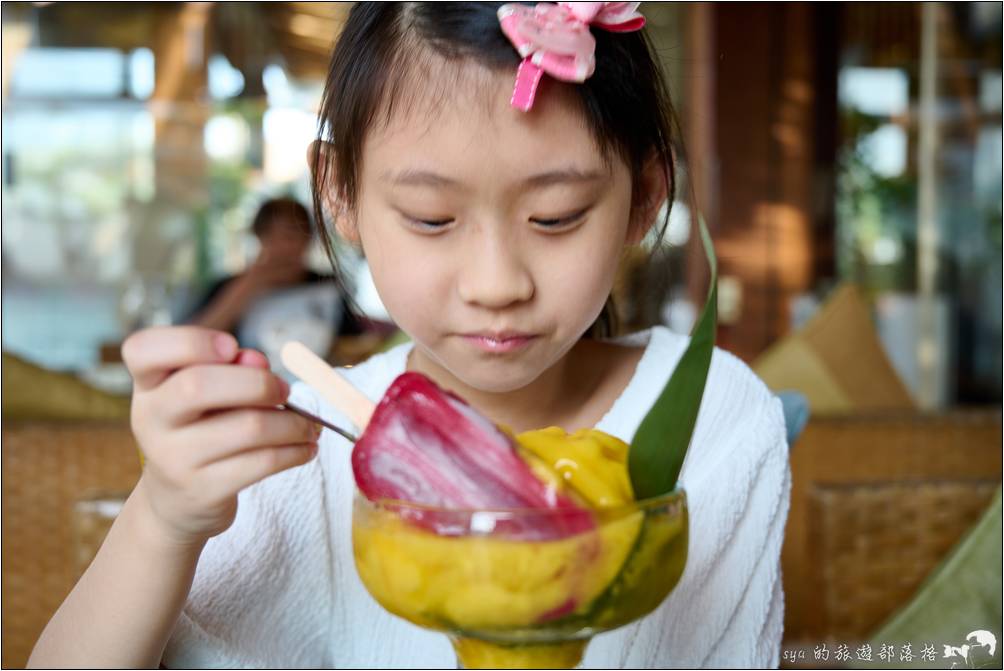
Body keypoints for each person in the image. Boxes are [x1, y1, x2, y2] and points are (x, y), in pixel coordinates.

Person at [28, 3, 791, 668]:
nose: (496, 283)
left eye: (555, 217)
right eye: (432, 218)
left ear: (645, 197)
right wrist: (163, 516)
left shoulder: (715, 422)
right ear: (340, 192)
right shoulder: (303, 444)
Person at [186, 197, 362, 362]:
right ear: (258, 236)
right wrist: (248, 285)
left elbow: (352, 342)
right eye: (273, 235)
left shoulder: (327, 285)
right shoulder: (228, 286)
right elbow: (195, 339)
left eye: (293, 235)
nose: (285, 246)